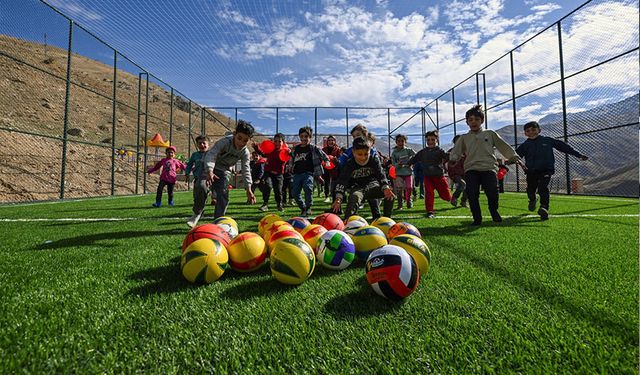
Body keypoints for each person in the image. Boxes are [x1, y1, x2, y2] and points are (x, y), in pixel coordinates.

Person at [449, 105, 520, 226]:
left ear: (482, 120)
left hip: (489, 168)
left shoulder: (490, 134)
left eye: (476, 119)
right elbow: (456, 151)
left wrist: (513, 156)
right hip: (471, 169)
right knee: (472, 193)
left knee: (493, 192)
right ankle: (477, 218)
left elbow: (502, 145)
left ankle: (494, 211)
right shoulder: (464, 138)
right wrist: (453, 159)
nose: (473, 122)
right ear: (467, 122)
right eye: (470, 120)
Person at [188, 120, 256, 227]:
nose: (241, 142)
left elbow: (246, 169)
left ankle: (218, 221)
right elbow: (211, 155)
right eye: (239, 138)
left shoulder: (245, 152)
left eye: (245, 140)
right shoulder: (224, 142)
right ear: (234, 134)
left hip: (224, 170)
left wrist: (249, 189)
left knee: (223, 194)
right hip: (210, 166)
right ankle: (197, 213)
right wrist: (209, 170)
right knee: (201, 186)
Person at [516, 120, 588, 221]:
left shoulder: (547, 140)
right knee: (530, 190)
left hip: (546, 170)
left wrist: (578, 155)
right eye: (528, 130)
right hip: (531, 172)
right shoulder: (525, 145)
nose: (531, 132)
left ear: (539, 130)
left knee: (542, 188)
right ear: (525, 133)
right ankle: (532, 199)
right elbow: (516, 156)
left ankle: (544, 208)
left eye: (533, 129)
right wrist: (507, 161)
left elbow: (564, 147)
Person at [331, 136, 395, 219]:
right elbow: (343, 180)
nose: (363, 157)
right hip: (357, 188)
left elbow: (381, 175)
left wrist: (386, 188)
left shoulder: (374, 160)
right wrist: (338, 198)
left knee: (390, 194)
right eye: (360, 154)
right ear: (353, 152)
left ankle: (387, 220)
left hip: (373, 186)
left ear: (370, 151)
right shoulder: (350, 163)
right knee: (354, 197)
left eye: (366, 154)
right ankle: (347, 223)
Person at [337, 124, 382, 218]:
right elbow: (342, 163)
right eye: (353, 137)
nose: (355, 138)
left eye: (357, 135)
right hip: (356, 181)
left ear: (365, 135)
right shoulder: (351, 151)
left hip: (370, 181)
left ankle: (377, 216)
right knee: (355, 197)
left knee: (373, 199)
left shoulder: (372, 152)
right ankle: (350, 218)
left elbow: (378, 169)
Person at [409, 131, 451, 218]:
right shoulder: (423, 152)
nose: (430, 141)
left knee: (446, 196)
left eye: (433, 139)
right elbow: (414, 158)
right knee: (429, 193)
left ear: (437, 140)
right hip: (428, 177)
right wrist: (407, 163)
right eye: (428, 140)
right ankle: (430, 211)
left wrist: (455, 155)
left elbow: (447, 156)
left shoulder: (440, 151)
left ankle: (451, 198)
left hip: (439, 177)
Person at [288, 126, 329, 217]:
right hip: (297, 174)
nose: (304, 138)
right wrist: (290, 166)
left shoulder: (313, 148)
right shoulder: (295, 149)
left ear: (310, 137)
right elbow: (291, 158)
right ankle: (303, 207)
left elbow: (324, 156)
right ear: (299, 137)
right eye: (302, 136)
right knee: (294, 192)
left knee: (308, 188)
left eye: (306, 136)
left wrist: (327, 161)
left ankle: (308, 207)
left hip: (308, 173)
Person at [253, 133, 287, 212]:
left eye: (279, 141)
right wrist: (256, 147)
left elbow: (290, 156)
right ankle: (265, 204)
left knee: (278, 190)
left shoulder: (285, 152)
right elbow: (263, 154)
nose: (277, 143)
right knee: (267, 186)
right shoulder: (271, 150)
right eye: (275, 141)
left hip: (278, 174)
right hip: (268, 172)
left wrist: (290, 153)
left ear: (283, 142)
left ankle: (279, 204)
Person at [391, 134, 416, 210]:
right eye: (399, 141)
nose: (400, 143)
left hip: (408, 173)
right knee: (399, 189)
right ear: (396, 142)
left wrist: (411, 162)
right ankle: (400, 204)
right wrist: (398, 164)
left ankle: (409, 200)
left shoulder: (408, 150)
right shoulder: (394, 153)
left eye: (402, 141)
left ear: (405, 142)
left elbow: (416, 156)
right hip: (399, 174)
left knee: (409, 187)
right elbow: (393, 165)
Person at [447, 135, 467, 207]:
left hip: (465, 173)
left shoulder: (466, 152)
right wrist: (447, 169)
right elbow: (445, 161)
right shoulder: (451, 152)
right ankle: (454, 198)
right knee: (463, 184)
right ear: (455, 142)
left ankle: (464, 201)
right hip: (455, 174)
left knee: (468, 187)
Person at [322, 135, 342, 203]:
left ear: (334, 141)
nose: (331, 141)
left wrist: (335, 160)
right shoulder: (323, 150)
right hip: (326, 167)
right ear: (327, 142)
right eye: (329, 140)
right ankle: (327, 196)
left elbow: (340, 159)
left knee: (335, 183)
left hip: (335, 169)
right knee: (326, 182)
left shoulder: (338, 149)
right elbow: (321, 158)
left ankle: (338, 196)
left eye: (332, 140)